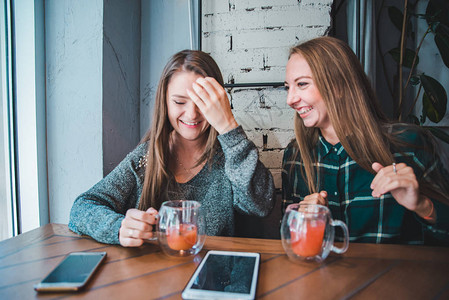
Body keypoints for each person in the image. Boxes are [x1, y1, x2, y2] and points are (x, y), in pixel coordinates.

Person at [69, 50, 275, 247]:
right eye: (179, 102)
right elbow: (82, 208)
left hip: (213, 276)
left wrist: (228, 125)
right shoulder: (146, 157)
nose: (192, 114)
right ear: (165, 102)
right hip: (155, 276)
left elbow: (260, 205)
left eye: (201, 103)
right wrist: (119, 227)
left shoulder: (232, 156)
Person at [282, 36, 449, 245]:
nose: (290, 99)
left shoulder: (410, 143)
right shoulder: (294, 156)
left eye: (302, 84)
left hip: (397, 277)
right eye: (288, 87)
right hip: (322, 277)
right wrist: (301, 220)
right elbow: (290, 243)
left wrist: (423, 205)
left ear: (339, 86)